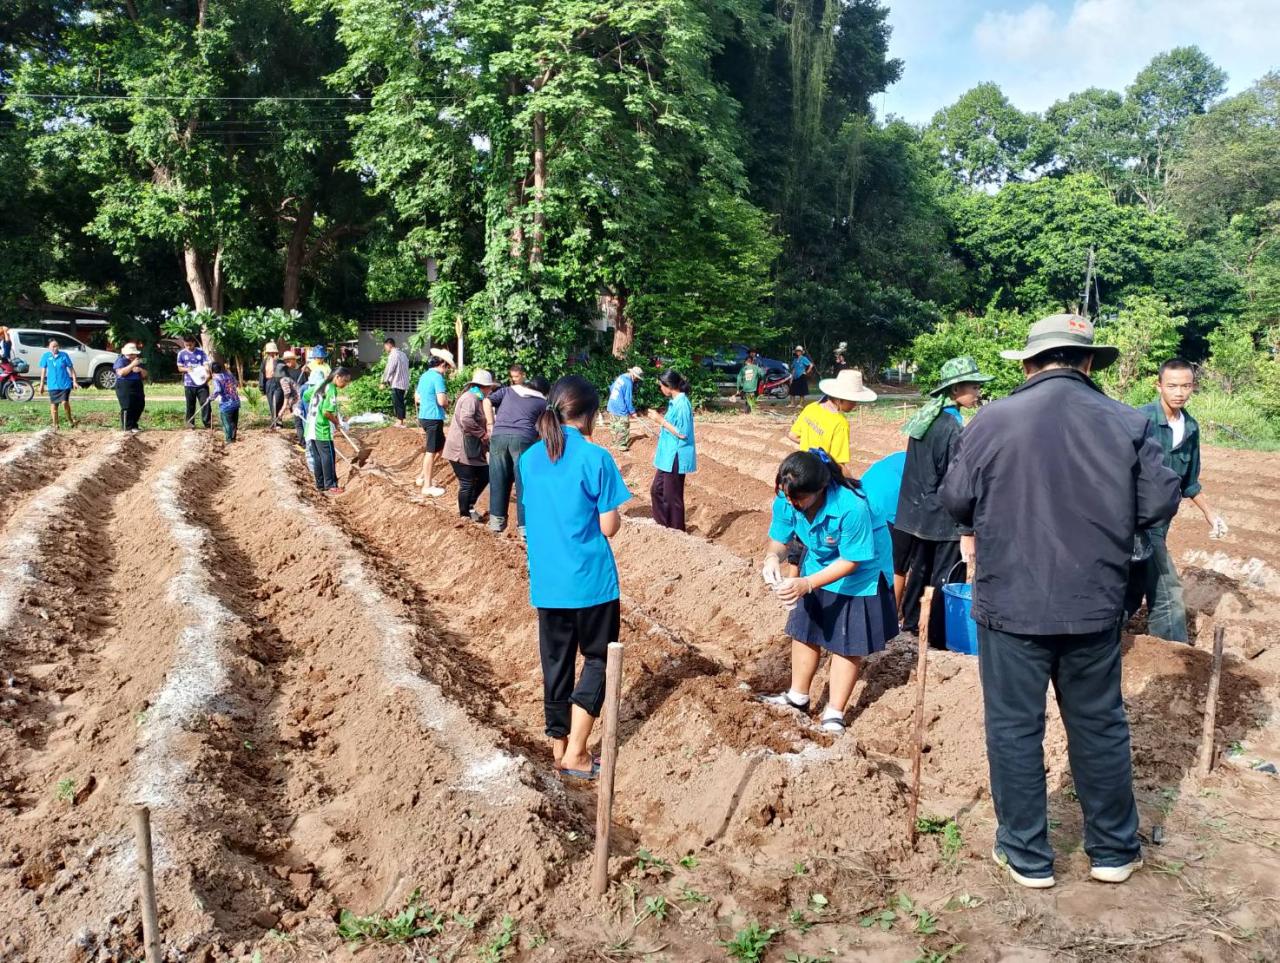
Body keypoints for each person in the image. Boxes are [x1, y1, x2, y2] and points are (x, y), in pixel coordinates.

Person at [940, 313, 1181, 890]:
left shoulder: (992, 419)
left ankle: (1026, 855)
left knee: (1014, 727)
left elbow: (956, 500)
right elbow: (1158, 501)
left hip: (1011, 601)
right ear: (1089, 361)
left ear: (1028, 363)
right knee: (1099, 723)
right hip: (1092, 601)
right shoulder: (1126, 421)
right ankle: (1113, 851)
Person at [519, 375, 631, 778]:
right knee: (598, 659)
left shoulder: (530, 458)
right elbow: (608, 527)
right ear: (590, 415)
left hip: (547, 581)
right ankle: (578, 753)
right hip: (591, 582)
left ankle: (559, 747)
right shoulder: (596, 457)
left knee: (556, 664)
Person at [758, 450, 897, 734]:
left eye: (799, 498)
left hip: (860, 574)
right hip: (819, 562)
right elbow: (780, 539)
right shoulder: (788, 497)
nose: (792, 503)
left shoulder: (851, 506)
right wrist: (772, 557)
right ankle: (797, 696)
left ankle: (834, 713)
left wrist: (807, 584)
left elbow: (852, 560)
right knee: (805, 629)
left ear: (820, 489)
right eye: (788, 497)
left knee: (847, 641)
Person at [1124, 359, 1228, 642]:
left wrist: (1211, 514)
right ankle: (1173, 652)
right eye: (1172, 386)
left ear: (1193, 387)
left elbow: (1189, 482)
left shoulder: (1191, 427)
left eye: (1185, 386)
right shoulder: (1139, 420)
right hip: (1137, 522)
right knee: (1167, 591)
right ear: (1159, 386)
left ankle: (1098, 639)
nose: (1179, 392)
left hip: (1161, 522)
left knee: (1132, 586)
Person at [895, 356, 992, 646]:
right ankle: (935, 634)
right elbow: (956, 479)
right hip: (942, 514)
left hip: (916, 511)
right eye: (973, 387)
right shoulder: (953, 427)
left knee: (919, 569)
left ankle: (911, 624)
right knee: (945, 574)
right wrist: (966, 524)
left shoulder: (925, 419)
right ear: (955, 390)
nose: (977, 392)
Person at [487, 371, 548, 536]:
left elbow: (486, 400)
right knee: (524, 483)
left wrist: (490, 424)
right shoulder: (542, 402)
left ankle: (496, 524)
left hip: (498, 437)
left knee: (498, 479)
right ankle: (525, 529)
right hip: (523, 440)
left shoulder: (508, 391)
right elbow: (543, 429)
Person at [787, 368, 877, 467]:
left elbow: (793, 435)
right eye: (852, 400)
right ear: (840, 398)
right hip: (822, 473)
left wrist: (811, 447)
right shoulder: (840, 423)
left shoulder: (811, 407)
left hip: (804, 469)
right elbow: (839, 464)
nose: (855, 404)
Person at [442, 368, 496, 521]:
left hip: (471, 448)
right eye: (490, 387)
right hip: (461, 449)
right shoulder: (470, 399)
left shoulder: (477, 398)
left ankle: (470, 506)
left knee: (485, 475)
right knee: (467, 482)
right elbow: (466, 420)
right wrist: (483, 434)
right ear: (484, 387)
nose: (491, 390)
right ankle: (464, 514)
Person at [860, 450, 909, 610]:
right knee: (898, 567)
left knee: (868, 559)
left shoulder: (900, 456)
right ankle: (892, 614)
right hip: (890, 510)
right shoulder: (928, 463)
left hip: (862, 500)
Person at [648, 369, 696, 531]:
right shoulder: (675, 402)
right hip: (668, 456)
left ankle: (677, 531)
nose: (660, 389)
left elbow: (682, 433)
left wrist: (659, 420)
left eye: (661, 385)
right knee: (657, 490)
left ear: (668, 386)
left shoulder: (682, 404)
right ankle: (662, 527)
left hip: (676, 455)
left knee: (672, 496)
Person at [305, 366, 354, 496]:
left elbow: (305, 396)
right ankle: (331, 485)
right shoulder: (331, 388)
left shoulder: (320, 384)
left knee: (318, 457)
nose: (345, 384)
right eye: (345, 381)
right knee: (328, 456)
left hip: (311, 427)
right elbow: (326, 412)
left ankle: (320, 484)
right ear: (337, 377)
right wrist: (336, 423)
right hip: (321, 428)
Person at [414, 348, 454, 497]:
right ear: (442, 364)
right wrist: (448, 402)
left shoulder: (424, 376)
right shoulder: (438, 378)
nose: (447, 370)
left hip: (425, 416)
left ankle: (422, 477)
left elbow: (417, 397)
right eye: (447, 367)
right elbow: (442, 401)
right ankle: (427, 486)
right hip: (433, 417)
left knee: (442, 447)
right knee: (430, 452)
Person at [37, 338, 77, 430]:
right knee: (54, 406)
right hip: (52, 385)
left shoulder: (64, 355)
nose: (56, 348)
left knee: (64, 402)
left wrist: (74, 381)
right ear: (49, 347)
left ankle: (70, 420)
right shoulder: (46, 356)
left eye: (57, 346)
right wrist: (41, 384)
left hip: (65, 384)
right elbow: (43, 371)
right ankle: (55, 425)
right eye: (53, 346)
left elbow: (71, 369)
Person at [606, 366, 644, 451]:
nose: (636, 380)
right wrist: (632, 412)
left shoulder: (621, 377)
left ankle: (614, 443)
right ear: (634, 375)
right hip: (620, 407)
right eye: (637, 378)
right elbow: (628, 399)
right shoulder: (628, 383)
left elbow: (611, 387)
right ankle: (621, 445)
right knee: (624, 426)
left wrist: (617, 397)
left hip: (611, 404)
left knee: (614, 425)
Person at [176, 334, 210, 429]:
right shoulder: (181, 353)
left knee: (205, 403)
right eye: (186, 345)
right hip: (189, 384)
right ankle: (190, 424)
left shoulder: (201, 352)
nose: (188, 347)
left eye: (190, 345)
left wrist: (207, 372)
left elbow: (206, 364)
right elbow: (179, 368)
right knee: (190, 405)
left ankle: (207, 423)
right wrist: (187, 369)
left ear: (194, 343)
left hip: (202, 383)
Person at [113, 343, 147, 433]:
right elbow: (121, 373)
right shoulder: (120, 360)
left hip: (137, 384)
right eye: (130, 354)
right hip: (124, 384)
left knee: (139, 404)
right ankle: (127, 427)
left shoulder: (139, 361)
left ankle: (134, 425)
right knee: (127, 406)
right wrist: (132, 365)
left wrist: (140, 370)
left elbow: (145, 375)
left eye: (133, 354)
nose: (132, 356)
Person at [209, 361, 242, 442]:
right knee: (234, 423)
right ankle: (233, 439)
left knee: (227, 423)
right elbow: (236, 383)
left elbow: (218, 389)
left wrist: (211, 398)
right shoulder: (229, 375)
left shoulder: (216, 378)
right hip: (236, 402)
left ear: (212, 370)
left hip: (226, 404)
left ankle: (229, 440)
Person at [381, 337, 410, 427]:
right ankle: (400, 421)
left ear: (389, 345)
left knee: (397, 402)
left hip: (397, 382)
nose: (385, 349)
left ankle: (400, 422)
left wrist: (384, 382)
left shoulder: (394, 355)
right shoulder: (403, 354)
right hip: (403, 382)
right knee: (400, 401)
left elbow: (389, 369)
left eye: (385, 346)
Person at [259, 342, 283, 428]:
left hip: (278, 383)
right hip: (268, 382)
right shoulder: (264, 361)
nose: (271, 354)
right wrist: (261, 386)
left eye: (272, 352)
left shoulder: (279, 361)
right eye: (269, 352)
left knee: (277, 402)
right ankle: (274, 421)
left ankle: (278, 421)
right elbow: (262, 373)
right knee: (271, 403)